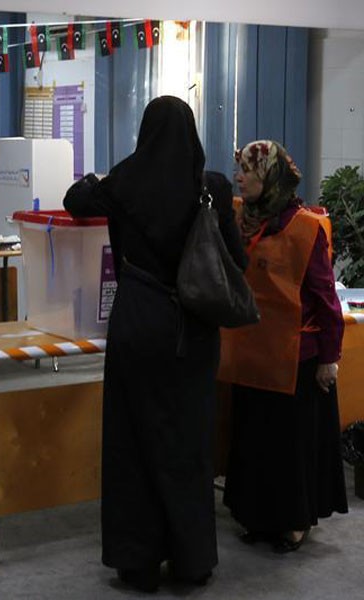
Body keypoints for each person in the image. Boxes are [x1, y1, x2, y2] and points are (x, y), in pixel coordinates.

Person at [62, 96, 246, 592]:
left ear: (145, 134)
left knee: (133, 443)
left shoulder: (124, 183)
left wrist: (98, 179)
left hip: (138, 323)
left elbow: (73, 200)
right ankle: (191, 562)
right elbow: (238, 264)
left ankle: (137, 562)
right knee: (188, 445)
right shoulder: (211, 188)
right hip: (194, 332)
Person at [221, 140, 347, 553]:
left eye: (249, 172)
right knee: (254, 442)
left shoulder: (306, 228)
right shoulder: (242, 219)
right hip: (250, 355)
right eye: (239, 169)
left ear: (270, 177)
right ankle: (257, 516)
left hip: (295, 359)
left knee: (288, 447)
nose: (240, 177)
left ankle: (294, 522)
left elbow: (326, 298)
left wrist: (329, 358)